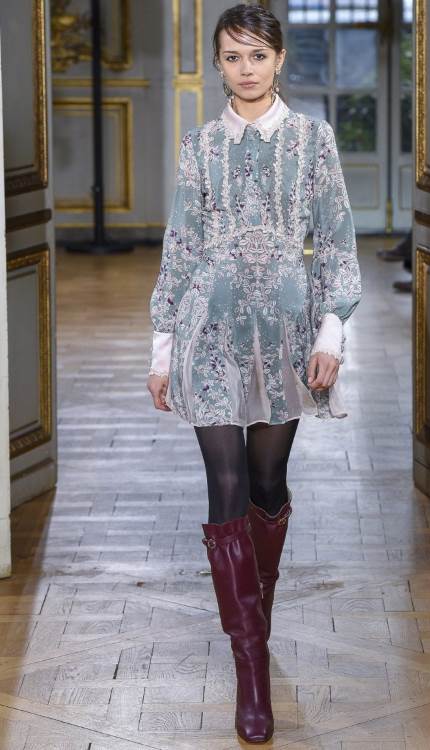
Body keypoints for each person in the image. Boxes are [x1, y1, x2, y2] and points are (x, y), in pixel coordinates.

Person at [146, 4, 361, 743]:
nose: (246, 68)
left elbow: (336, 241)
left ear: (279, 60)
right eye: (233, 56)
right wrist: (162, 349)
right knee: (227, 484)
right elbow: (181, 245)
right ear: (218, 64)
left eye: (258, 55)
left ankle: (254, 619)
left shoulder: (312, 140)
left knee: (268, 483)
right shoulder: (199, 146)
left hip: (286, 332)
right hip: (209, 329)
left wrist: (332, 330)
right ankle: (251, 667)